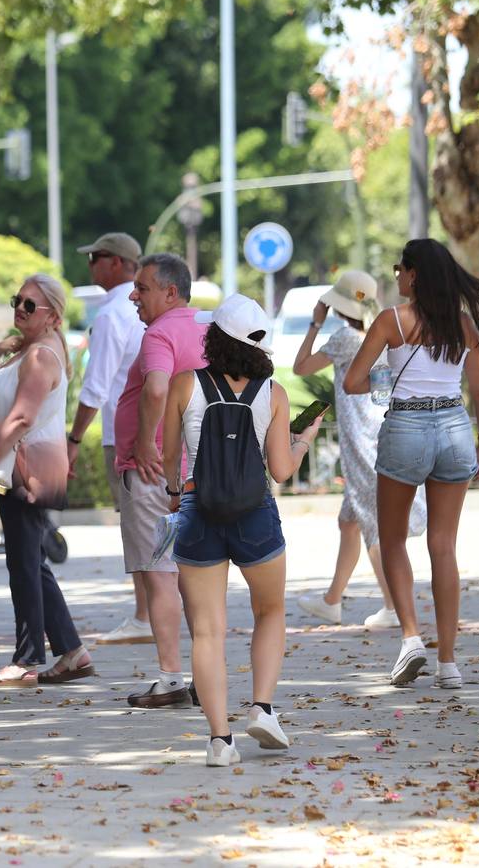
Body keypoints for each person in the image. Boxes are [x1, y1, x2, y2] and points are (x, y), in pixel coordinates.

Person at [161, 295, 324, 767]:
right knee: (270, 610)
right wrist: (305, 438)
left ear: (213, 337)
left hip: (198, 513)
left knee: (207, 632)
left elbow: (171, 459)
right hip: (255, 515)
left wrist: (176, 494)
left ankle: (219, 741)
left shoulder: (183, 385)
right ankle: (263, 709)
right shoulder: (272, 394)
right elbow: (280, 468)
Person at [344, 239, 479, 690]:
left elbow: (356, 381)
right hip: (455, 427)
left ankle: (412, 638)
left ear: (414, 274)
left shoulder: (392, 320)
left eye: (400, 268)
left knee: (393, 539)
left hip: (407, 427)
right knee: (443, 545)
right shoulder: (465, 325)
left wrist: (388, 378)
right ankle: (449, 664)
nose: (396, 276)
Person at [0, 275, 92, 688]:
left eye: (30, 305)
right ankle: (71, 652)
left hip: (25, 467)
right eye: (18, 300)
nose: (20, 308)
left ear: (53, 316)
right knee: (31, 562)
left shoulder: (40, 357)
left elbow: (21, 417)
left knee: (23, 564)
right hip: (24, 464)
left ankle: (27, 658)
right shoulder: (31, 351)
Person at [292, 271, 425, 628]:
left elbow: (300, 367)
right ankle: (332, 601)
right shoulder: (384, 332)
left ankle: (395, 607)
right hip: (383, 431)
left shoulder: (343, 337)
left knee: (373, 527)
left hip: (361, 441)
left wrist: (314, 324)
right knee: (349, 522)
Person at [115, 253, 207, 708]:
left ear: (171, 292)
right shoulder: (209, 330)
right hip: (202, 467)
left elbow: (155, 389)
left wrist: (145, 444)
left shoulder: (160, 333)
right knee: (194, 573)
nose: (134, 295)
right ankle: (207, 674)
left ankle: (171, 678)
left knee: (161, 574)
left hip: (156, 472)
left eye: (143, 287)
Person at [66, 232, 148, 644]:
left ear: (116, 263)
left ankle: (145, 614)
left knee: (136, 526)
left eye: (95, 257)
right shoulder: (144, 309)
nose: (90, 264)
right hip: (157, 430)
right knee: (152, 524)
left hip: (124, 434)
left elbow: (96, 387)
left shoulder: (113, 314)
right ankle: (152, 611)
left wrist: (75, 438)